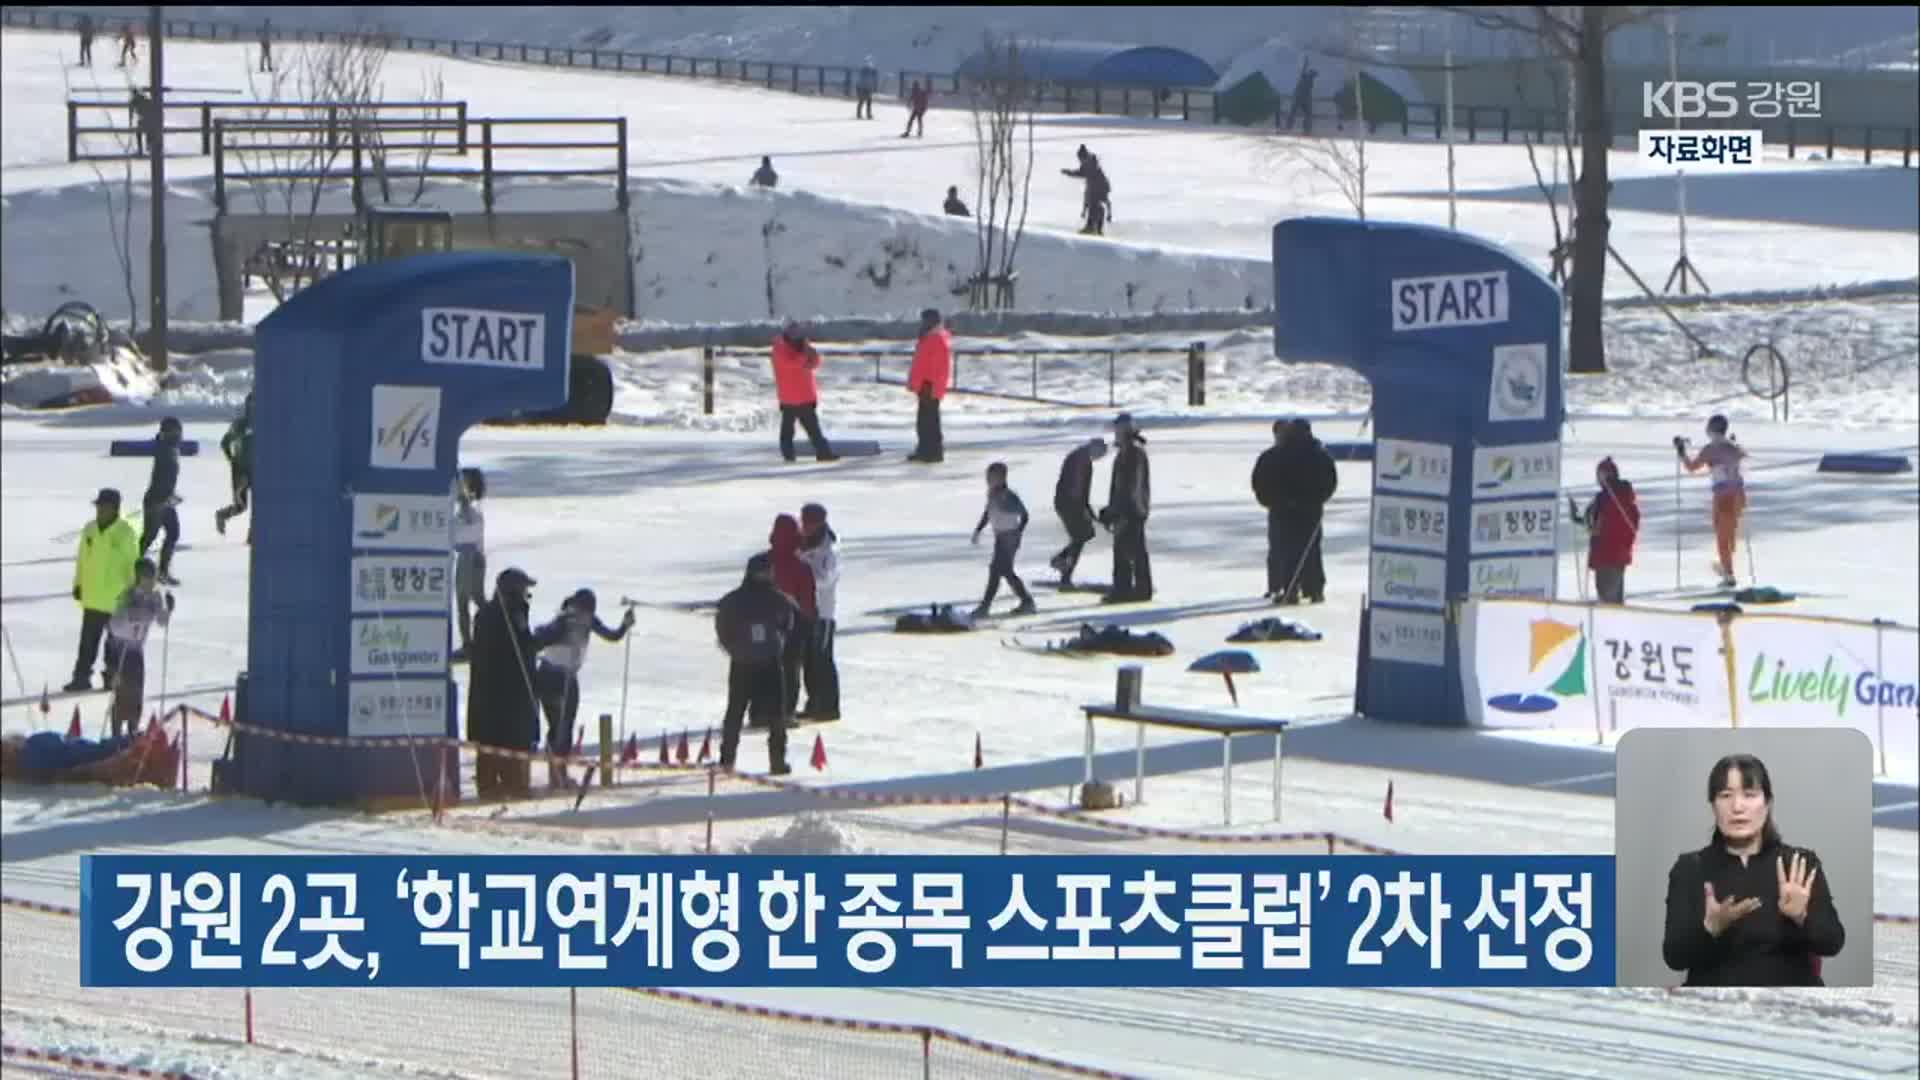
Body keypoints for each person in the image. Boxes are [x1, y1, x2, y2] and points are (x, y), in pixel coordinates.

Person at [1662, 753, 1844, 987]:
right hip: (1715, 1007)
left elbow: (1832, 943)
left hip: (1790, 1006)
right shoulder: (1690, 868)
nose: (1737, 807)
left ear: (1767, 803)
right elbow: (1674, 958)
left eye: (1749, 795)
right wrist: (1710, 928)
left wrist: (1801, 916)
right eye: (1725, 796)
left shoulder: (1799, 863)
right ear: (1713, 806)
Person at [466, 568, 563, 799]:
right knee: (511, 767)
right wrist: (548, 637)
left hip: (488, 705)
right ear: (512, 592)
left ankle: (492, 789)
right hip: (509, 706)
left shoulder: (487, 615)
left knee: (490, 759)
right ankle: (508, 790)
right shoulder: (510, 615)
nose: (526, 596)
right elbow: (521, 648)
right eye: (524, 591)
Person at [532, 588, 634, 789]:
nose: (586, 618)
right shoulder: (565, 620)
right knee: (558, 725)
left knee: (565, 725)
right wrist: (557, 633)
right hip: (552, 675)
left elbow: (611, 636)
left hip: (569, 676)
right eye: (584, 612)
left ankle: (558, 771)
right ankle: (557, 773)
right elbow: (541, 637)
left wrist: (625, 625)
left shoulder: (588, 620)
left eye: (589, 613)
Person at [714, 553, 800, 774]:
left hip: (742, 662)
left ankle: (727, 759)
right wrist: (777, 642)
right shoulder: (779, 600)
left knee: (735, 712)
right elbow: (788, 625)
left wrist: (733, 647)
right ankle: (777, 761)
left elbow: (722, 629)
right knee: (776, 716)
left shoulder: (731, 601)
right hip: (769, 662)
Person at [1251, 418, 1338, 604]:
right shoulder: (1319, 454)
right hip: (1309, 510)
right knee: (1310, 550)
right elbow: (1330, 482)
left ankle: (1288, 588)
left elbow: (1260, 482)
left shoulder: (1277, 454)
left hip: (1284, 511)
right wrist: (1316, 499)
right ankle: (1313, 589)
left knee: (1286, 550)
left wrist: (1273, 501)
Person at [66, 488, 139, 692]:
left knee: (113, 644)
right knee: (87, 643)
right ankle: (81, 678)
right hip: (93, 597)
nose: (99, 510)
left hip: (116, 599)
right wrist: (78, 583)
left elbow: (132, 563)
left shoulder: (126, 532)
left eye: (103, 506)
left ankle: (111, 677)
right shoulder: (89, 529)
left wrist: (134, 593)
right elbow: (82, 559)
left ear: (115, 508)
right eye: (98, 506)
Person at [1677, 414, 1748, 589]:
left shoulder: (1711, 448)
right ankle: (1726, 566)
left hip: (1723, 496)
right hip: (1739, 494)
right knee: (1730, 532)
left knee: (1722, 535)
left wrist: (1681, 453)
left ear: (1712, 429)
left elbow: (1692, 467)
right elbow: (1742, 455)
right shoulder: (1733, 447)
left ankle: (1728, 572)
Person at [105, 558, 172, 739]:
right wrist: (132, 616)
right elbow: (113, 625)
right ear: (139, 578)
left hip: (136, 650)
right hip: (120, 648)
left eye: (154, 578)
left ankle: (132, 731)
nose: (152, 582)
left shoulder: (154, 597)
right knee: (121, 693)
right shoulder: (127, 596)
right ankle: (116, 736)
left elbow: (161, 620)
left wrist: (166, 611)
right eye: (148, 578)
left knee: (136, 693)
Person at [971, 462, 1036, 619]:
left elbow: (1025, 515)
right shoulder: (992, 494)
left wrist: (1017, 532)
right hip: (1000, 537)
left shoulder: (1008, 495)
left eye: (992, 477)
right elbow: (988, 513)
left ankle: (985, 607)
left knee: (996, 571)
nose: (988, 479)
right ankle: (1026, 602)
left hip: (1009, 538)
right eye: (988, 476)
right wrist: (978, 529)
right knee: (1005, 571)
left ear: (1002, 478)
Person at [768, 513, 817, 722]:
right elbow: (807, 599)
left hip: (765, 621)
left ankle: (763, 710)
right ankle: (786, 711)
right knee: (790, 669)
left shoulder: (763, 561)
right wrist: (810, 619)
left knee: (766, 668)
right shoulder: (802, 566)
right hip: (794, 623)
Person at [1571, 457, 1639, 604]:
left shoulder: (1605, 498)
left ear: (1606, 475)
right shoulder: (1626, 496)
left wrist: (1581, 520)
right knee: (1615, 600)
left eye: (1599, 474)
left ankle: (1613, 625)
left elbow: (1595, 525)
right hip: (1620, 555)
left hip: (1605, 555)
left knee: (1607, 601)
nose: (1597, 478)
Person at [796, 503, 841, 720]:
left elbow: (825, 579)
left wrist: (804, 569)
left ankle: (829, 706)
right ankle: (815, 703)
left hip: (823, 613)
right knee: (809, 661)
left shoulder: (828, 550)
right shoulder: (803, 545)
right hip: (805, 611)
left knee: (822, 659)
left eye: (809, 523)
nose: (805, 527)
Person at [770, 320, 838, 462]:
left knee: (812, 429)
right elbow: (791, 364)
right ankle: (791, 454)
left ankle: (822, 453)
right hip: (791, 396)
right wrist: (805, 355)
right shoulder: (780, 348)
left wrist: (810, 353)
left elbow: (814, 362)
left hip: (803, 395)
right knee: (790, 431)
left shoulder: (801, 345)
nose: (797, 336)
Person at [1102, 413, 1153, 603]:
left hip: (1131, 510)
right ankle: (1137, 588)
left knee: (1127, 551)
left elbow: (1130, 486)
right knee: (1131, 549)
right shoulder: (1126, 452)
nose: (1115, 433)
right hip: (1129, 508)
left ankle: (1126, 589)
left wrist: (1119, 512)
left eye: (1118, 430)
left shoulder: (1133, 453)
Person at [1049, 437, 1107, 586]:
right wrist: (1083, 509)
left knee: (1083, 535)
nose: (1098, 458)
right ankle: (1065, 574)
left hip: (1068, 502)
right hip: (1069, 503)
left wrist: (1088, 511)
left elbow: (1083, 490)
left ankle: (1061, 562)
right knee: (1081, 536)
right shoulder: (1081, 459)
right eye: (1100, 455)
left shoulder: (1081, 457)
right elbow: (1077, 487)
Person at [138, 416, 183, 585]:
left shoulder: (169, 447)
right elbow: (163, 478)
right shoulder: (166, 449)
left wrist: (171, 495)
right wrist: (164, 498)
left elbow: (167, 478)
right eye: (177, 431)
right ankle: (131, 568)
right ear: (169, 433)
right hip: (157, 500)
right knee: (150, 536)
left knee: (172, 532)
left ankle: (162, 572)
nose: (180, 435)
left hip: (163, 499)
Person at [450, 467, 488, 661]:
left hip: (468, 557)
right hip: (472, 556)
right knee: (472, 599)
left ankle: (469, 645)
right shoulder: (468, 507)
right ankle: (472, 643)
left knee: (466, 601)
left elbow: (465, 532)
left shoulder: (468, 508)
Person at [905, 307, 951, 463]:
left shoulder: (935, 338)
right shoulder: (929, 337)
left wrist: (930, 385)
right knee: (924, 420)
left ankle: (931, 451)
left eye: (925, 320)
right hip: (926, 384)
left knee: (929, 421)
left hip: (929, 384)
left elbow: (935, 366)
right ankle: (925, 449)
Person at [214, 393, 253, 541]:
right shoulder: (239, 424)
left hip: (257, 470)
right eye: (251, 404)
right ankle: (222, 515)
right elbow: (225, 443)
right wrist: (233, 460)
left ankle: (252, 536)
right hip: (240, 470)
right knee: (241, 506)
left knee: (260, 504)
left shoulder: (265, 423)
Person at [1062, 147, 1111, 236]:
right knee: (1094, 206)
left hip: (1100, 187)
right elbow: (1082, 173)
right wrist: (1069, 172)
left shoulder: (1090, 163)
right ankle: (1096, 229)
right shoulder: (1088, 163)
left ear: (1084, 156)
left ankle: (1092, 228)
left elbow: (1083, 173)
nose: (1079, 160)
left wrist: (1069, 173)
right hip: (1097, 187)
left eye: (1080, 158)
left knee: (1094, 206)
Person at [1286, 63, 1318, 133]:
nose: (1313, 76)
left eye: (1313, 75)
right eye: (1313, 74)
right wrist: (1305, 65)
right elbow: (1303, 72)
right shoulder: (1305, 77)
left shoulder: (1309, 80)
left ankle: (1306, 129)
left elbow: (1303, 72)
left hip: (1303, 98)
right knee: (1294, 112)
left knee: (1307, 114)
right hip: (1299, 97)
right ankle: (1289, 126)